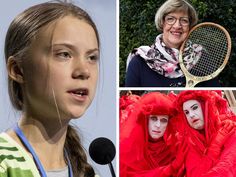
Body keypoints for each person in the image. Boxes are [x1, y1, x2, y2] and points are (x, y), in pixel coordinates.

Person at [0, 1, 101, 177]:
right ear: (17, 69)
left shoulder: (87, 173)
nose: (84, 71)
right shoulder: (4, 163)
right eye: (64, 54)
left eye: (92, 57)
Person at [125, 0, 220, 87]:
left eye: (184, 20)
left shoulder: (202, 58)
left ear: (190, 26)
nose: (177, 25)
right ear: (162, 22)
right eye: (170, 19)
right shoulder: (139, 62)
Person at [120, 92, 188, 177]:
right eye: (153, 119)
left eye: (163, 120)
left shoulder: (174, 150)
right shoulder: (130, 148)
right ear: (145, 120)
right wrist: (171, 168)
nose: (158, 125)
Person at [174, 90, 236, 176]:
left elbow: (224, 171)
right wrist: (215, 146)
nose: (191, 115)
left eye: (195, 108)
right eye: (186, 112)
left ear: (207, 106)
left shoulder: (231, 130)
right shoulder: (190, 143)